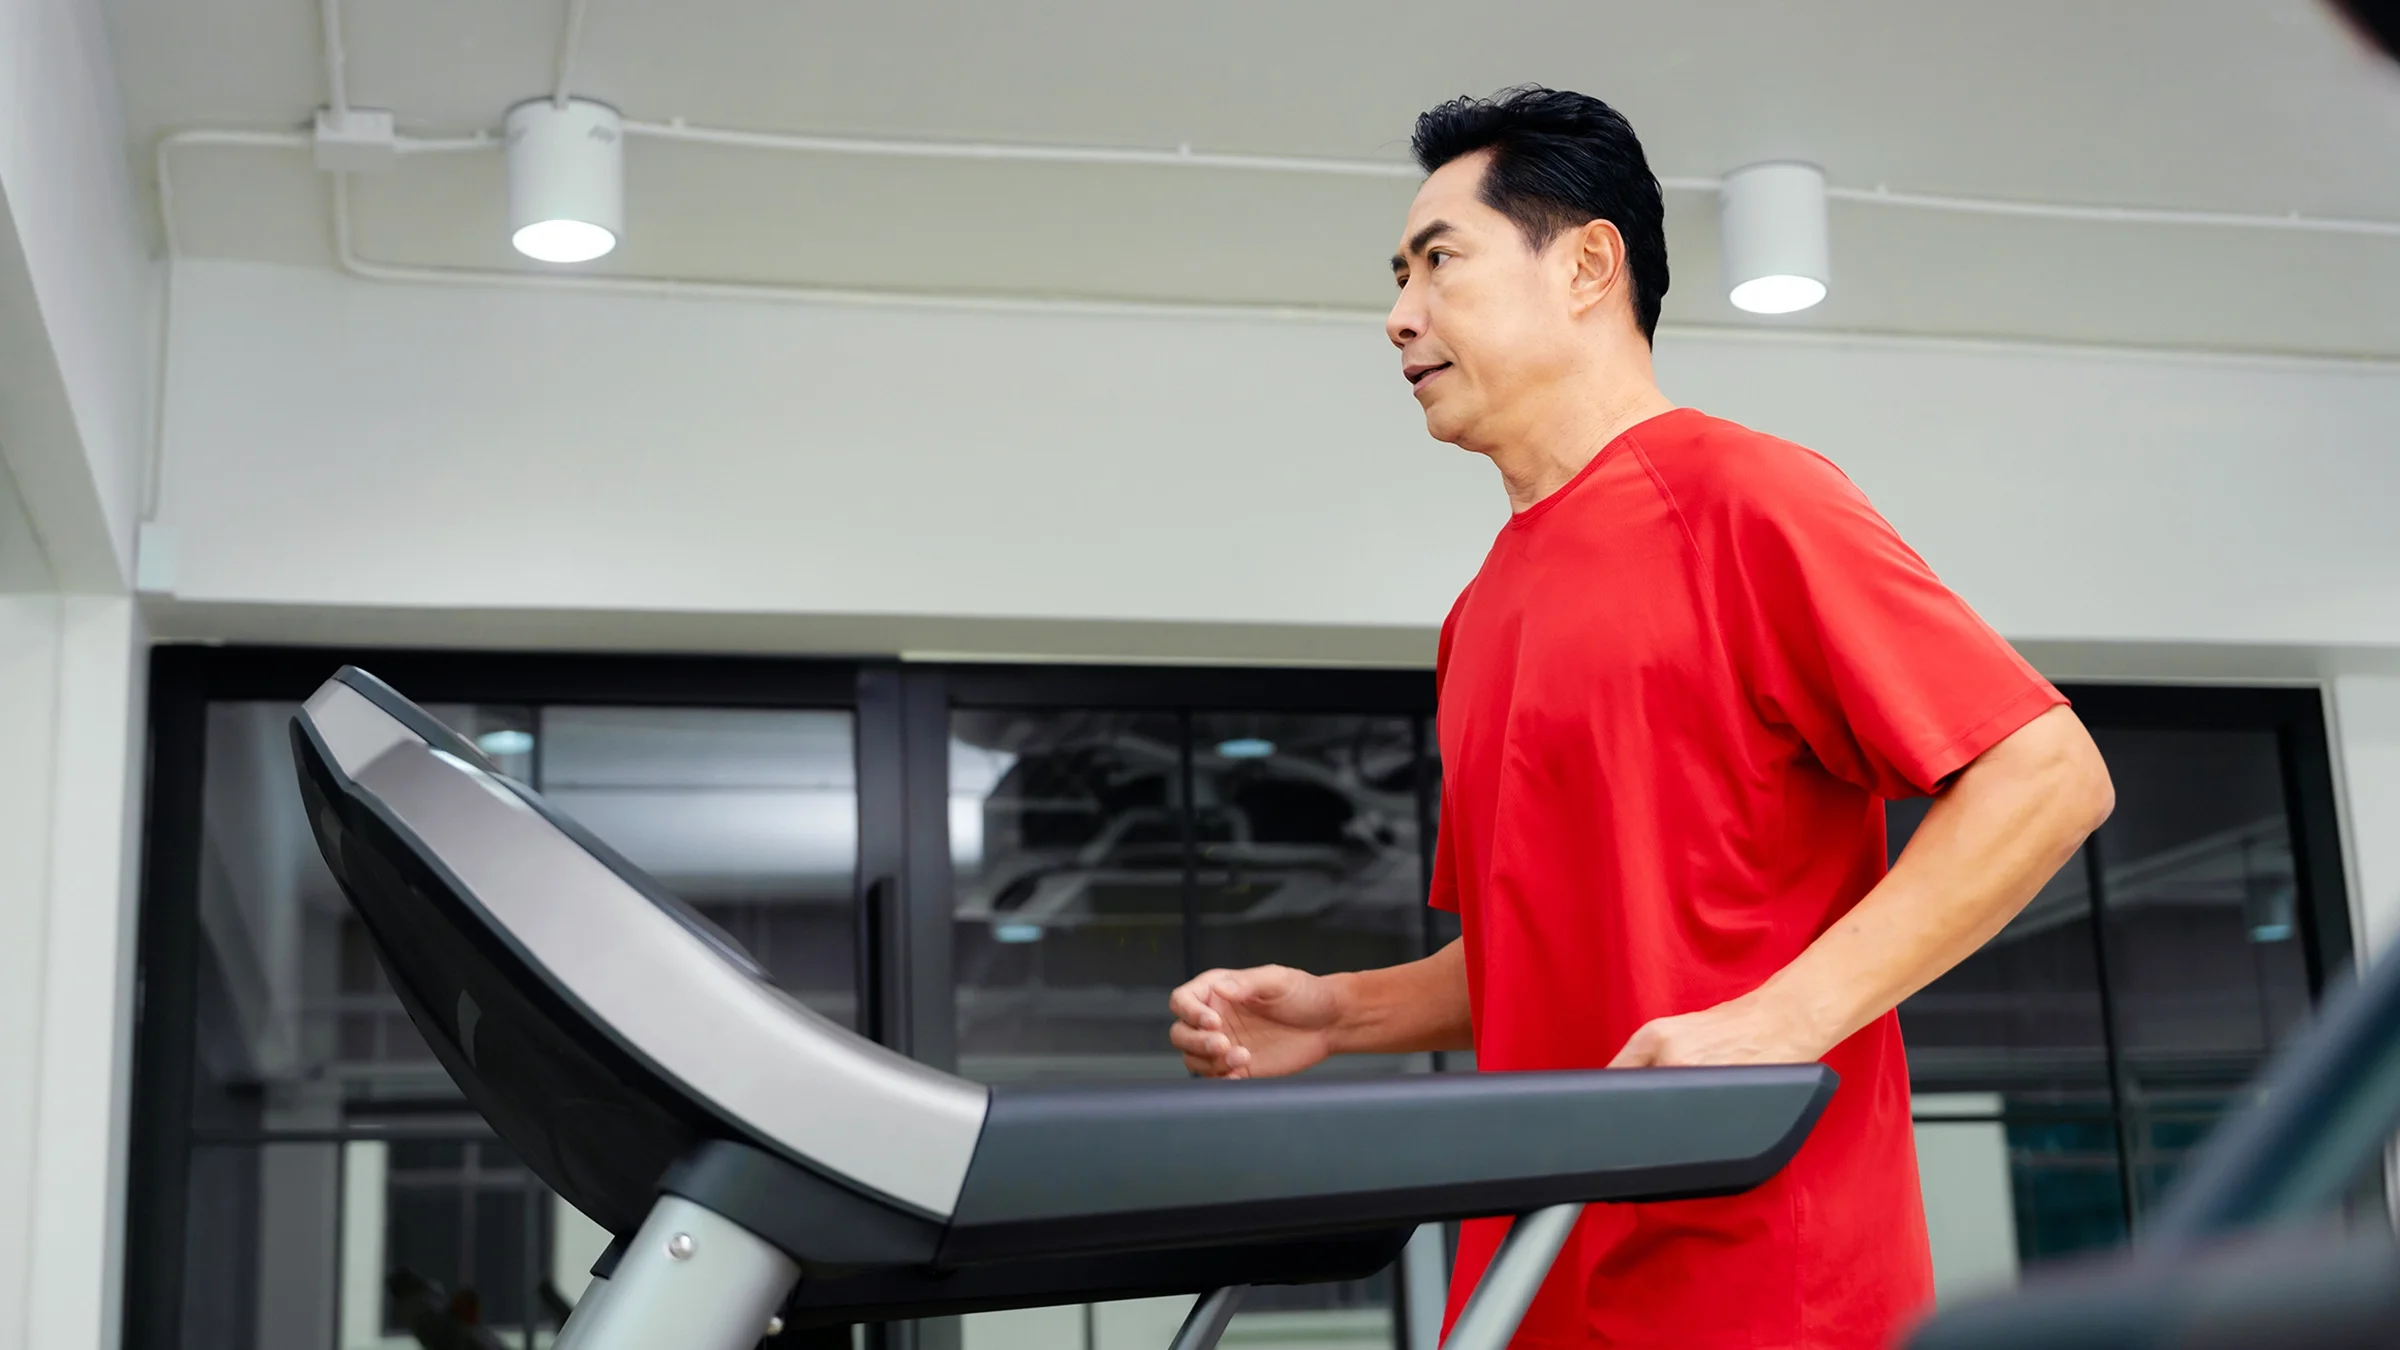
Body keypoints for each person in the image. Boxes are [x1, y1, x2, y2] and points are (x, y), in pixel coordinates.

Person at [1167, 87, 2116, 1349]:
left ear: (1589, 265)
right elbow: (1547, 940)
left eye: (1438, 263)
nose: (1399, 317)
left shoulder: (1744, 497)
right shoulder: (1480, 612)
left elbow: (2047, 778)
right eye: (1398, 278)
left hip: (1756, 1276)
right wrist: (1342, 1016)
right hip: (1535, 1271)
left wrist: (1783, 1021)